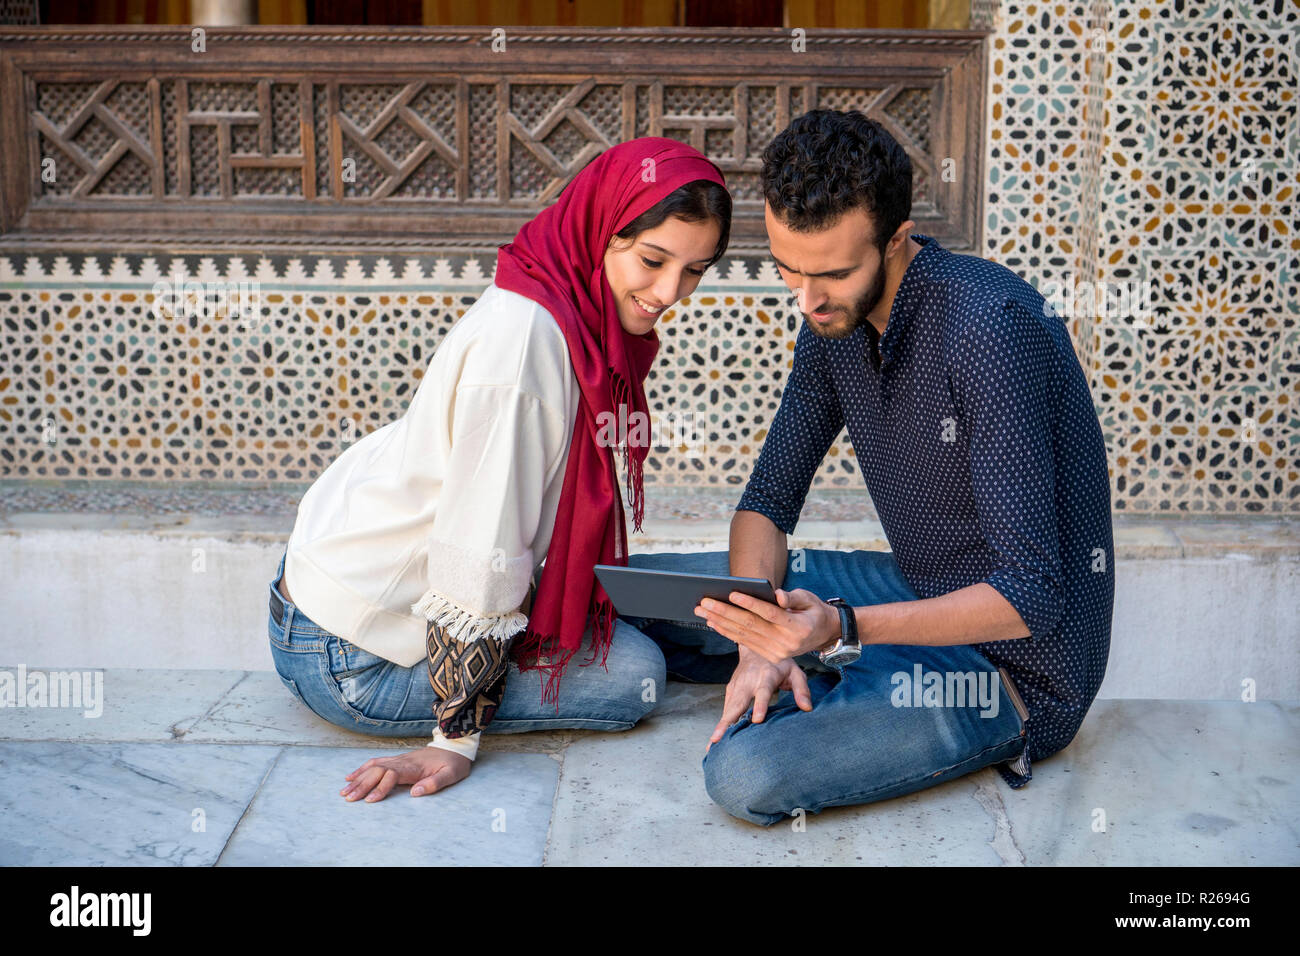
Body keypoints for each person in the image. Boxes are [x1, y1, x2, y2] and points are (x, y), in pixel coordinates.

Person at [622, 109, 1114, 826]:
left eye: (833, 273)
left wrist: (842, 628)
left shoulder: (989, 330)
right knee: (635, 593)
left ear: (896, 239)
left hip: (1009, 671)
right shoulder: (832, 322)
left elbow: (1032, 596)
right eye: (789, 270)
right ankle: (813, 667)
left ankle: (841, 671)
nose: (808, 298)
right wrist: (759, 644)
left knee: (745, 775)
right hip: (909, 590)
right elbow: (768, 499)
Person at [266, 137, 731, 801]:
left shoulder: (565, 302)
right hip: (354, 656)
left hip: (324, 597)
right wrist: (454, 739)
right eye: (653, 260)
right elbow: (478, 552)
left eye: (694, 271)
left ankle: (802, 636)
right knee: (634, 672)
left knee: (720, 590)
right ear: (603, 229)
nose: (669, 293)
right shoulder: (527, 345)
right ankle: (775, 647)